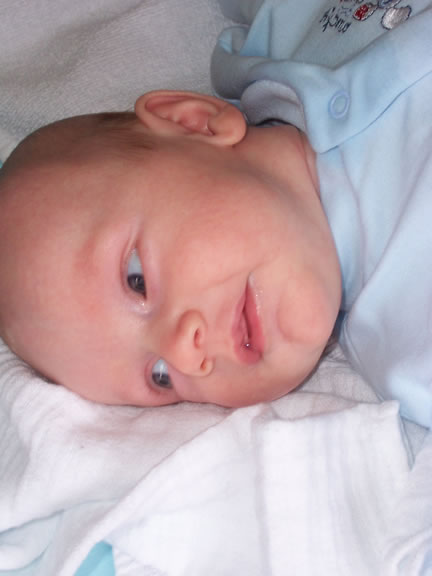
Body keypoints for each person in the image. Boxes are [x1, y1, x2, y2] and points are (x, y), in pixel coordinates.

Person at [0, 0, 431, 429]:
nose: (184, 354)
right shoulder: (408, 346)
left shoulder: (284, 34)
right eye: (160, 376)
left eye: (137, 280)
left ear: (193, 123)